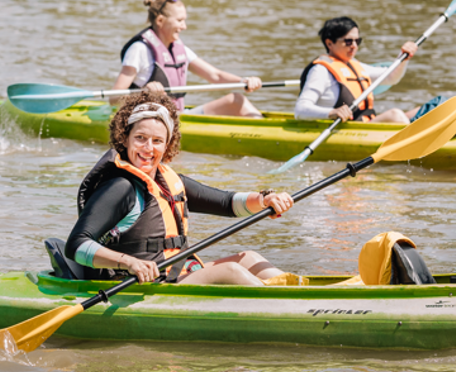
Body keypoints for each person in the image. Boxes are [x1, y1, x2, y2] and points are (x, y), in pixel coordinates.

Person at [65, 90, 295, 286]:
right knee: (230, 271)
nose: (148, 148)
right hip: (138, 287)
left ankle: (301, 295)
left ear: (167, 145)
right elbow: (76, 245)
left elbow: (226, 202)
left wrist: (265, 199)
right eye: (141, 138)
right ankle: (287, 307)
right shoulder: (119, 187)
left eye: (157, 141)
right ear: (125, 139)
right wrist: (129, 262)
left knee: (249, 258)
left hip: (176, 273)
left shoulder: (169, 181)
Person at [110, 0, 263, 117]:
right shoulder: (139, 50)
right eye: (180, 20)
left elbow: (216, 76)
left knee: (237, 101)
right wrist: (144, 93)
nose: (184, 26)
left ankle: (260, 131)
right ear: (161, 20)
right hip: (148, 122)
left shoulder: (180, 49)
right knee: (236, 101)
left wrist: (244, 81)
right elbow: (114, 99)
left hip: (177, 117)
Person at [295, 16, 419, 124]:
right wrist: (332, 113)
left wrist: (403, 57)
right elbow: (300, 110)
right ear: (329, 43)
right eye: (348, 41)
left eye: (357, 41)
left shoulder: (356, 66)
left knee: (431, 108)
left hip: (366, 125)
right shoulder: (320, 71)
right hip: (345, 130)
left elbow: (391, 77)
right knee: (395, 115)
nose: (354, 46)